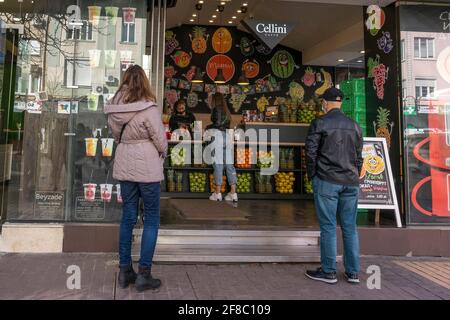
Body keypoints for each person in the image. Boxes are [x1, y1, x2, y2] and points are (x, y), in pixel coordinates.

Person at [104, 65, 168, 292]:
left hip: (125, 164)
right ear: (144, 82)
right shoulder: (148, 108)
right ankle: (144, 274)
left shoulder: (114, 108)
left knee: (128, 215)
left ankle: (124, 271)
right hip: (148, 168)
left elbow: (116, 135)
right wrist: (163, 151)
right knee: (151, 218)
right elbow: (161, 141)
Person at [304, 87, 363, 285]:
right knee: (350, 227)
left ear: (326, 103)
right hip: (351, 182)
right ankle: (353, 272)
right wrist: (355, 175)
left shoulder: (320, 122)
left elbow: (310, 152)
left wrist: (312, 175)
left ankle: (329, 271)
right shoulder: (354, 125)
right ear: (340, 103)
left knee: (328, 226)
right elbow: (359, 156)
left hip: (327, 180)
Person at [206, 92, 238, 202]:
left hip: (217, 137)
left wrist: (207, 127)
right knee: (229, 165)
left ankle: (217, 193)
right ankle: (233, 193)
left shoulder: (216, 109)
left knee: (218, 165)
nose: (210, 102)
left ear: (215, 100)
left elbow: (217, 124)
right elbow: (225, 126)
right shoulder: (227, 111)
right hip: (227, 137)